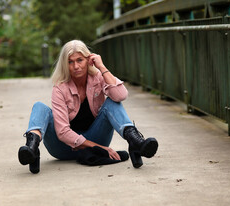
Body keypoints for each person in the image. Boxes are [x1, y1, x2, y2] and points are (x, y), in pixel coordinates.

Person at [18, 40, 158, 174]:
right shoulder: (60, 88)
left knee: (112, 102)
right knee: (40, 107)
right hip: (62, 148)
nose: (76, 66)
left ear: (88, 60)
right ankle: (32, 149)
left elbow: (121, 95)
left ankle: (135, 142)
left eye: (80, 60)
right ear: (65, 65)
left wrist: (101, 67)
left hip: (96, 138)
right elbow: (62, 132)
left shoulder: (97, 77)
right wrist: (99, 147)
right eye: (70, 62)